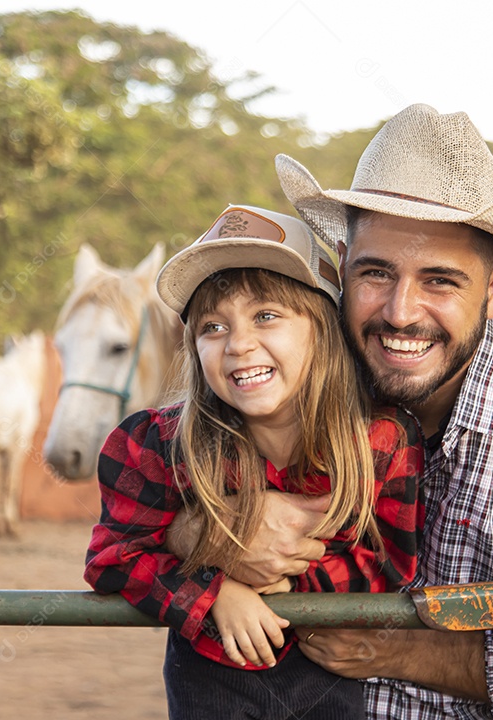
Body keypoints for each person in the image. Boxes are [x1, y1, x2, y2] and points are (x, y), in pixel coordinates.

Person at [175, 104, 493, 718]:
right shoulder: (293, 366)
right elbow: (156, 480)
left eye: (440, 281)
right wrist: (206, 531)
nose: (401, 313)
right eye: (376, 273)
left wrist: (399, 650)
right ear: (342, 262)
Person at [83, 204, 424, 719]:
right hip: (208, 676)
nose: (239, 345)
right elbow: (113, 557)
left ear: (322, 329)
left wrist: (280, 587)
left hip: (328, 672)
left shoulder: (380, 440)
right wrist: (217, 594)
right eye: (213, 327)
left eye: (266, 316)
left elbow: (390, 564)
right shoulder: (158, 445)